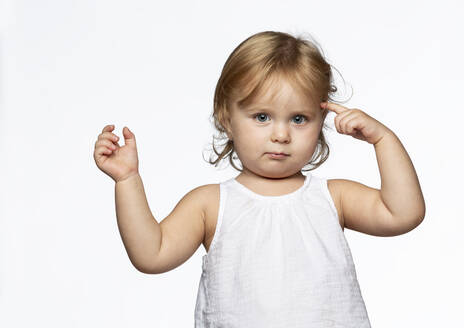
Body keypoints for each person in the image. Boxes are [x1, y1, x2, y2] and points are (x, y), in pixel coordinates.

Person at [93, 30, 425, 328]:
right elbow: (152, 254)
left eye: (299, 118)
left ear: (321, 119)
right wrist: (127, 180)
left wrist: (383, 140)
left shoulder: (332, 197)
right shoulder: (210, 204)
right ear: (227, 116)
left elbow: (403, 213)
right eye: (262, 116)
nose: (281, 134)